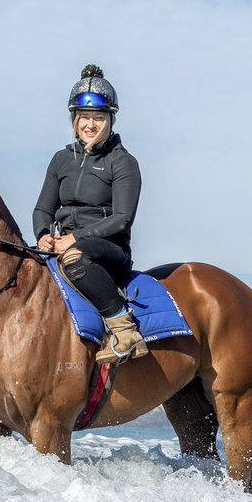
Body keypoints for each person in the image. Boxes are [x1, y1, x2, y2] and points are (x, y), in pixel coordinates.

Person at [34, 64, 147, 364]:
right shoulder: (60, 160)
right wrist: (44, 235)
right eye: (84, 118)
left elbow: (122, 218)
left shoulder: (123, 162)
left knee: (74, 256)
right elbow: (42, 209)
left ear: (110, 119)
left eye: (98, 118)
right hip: (64, 244)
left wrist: (73, 239)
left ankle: (123, 328)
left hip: (108, 249)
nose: (90, 125)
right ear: (75, 119)